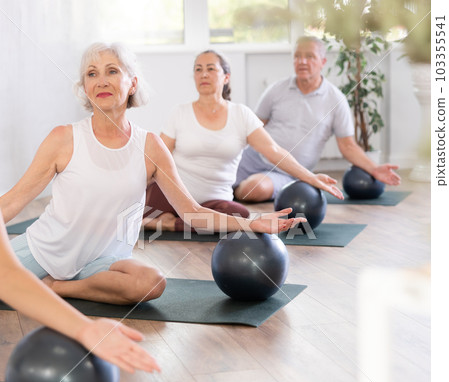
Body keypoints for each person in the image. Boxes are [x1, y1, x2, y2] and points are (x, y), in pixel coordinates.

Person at [0, 42, 301, 307]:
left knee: (151, 283)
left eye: (112, 71)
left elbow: (193, 213)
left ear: (132, 83)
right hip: (43, 252)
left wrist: (252, 222)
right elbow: (12, 203)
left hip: (103, 264)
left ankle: (56, 288)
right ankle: (41, 282)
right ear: (85, 87)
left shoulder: (150, 146)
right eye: (92, 74)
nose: (101, 81)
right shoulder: (63, 139)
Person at [143, 49, 343, 232]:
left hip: (215, 201)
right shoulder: (179, 113)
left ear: (226, 77)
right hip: (174, 197)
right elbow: (157, 158)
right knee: (224, 221)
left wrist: (311, 177)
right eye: (198, 69)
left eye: (211, 69)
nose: (204, 74)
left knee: (241, 216)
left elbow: (274, 151)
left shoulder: (241, 114)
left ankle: (168, 223)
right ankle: (175, 219)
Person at [234, 36, 401, 202]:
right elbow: (252, 129)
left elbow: (348, 146)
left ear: (323, 61)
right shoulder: (276, 89)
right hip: (251, 158)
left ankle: (228, 194)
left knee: (255, 189)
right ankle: (223, 193)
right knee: (210, 176)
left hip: (288, 172)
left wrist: (374, 168)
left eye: (310, 56)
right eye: (297, 56)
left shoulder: (336, 99)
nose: (302, 61)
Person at [0, 212, 159, 374]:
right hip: (47, 248)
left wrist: (84, 329)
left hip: (97, 256)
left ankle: (58, 286)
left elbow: (6, 275)